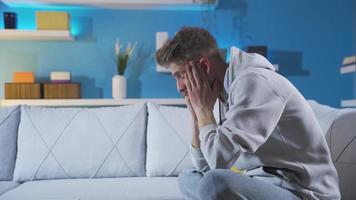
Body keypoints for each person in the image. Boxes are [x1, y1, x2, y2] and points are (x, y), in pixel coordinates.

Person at [156, 26, 341, 200]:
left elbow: (218, 162)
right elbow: (204, 165)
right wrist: (196, 117)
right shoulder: (221, 93)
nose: (179, 87)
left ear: (204, 66)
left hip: (301, 192)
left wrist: (204, 110)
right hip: (264, 184)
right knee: (188, 176)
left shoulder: (254, 82)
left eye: (180, 75)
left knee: (213, 182)